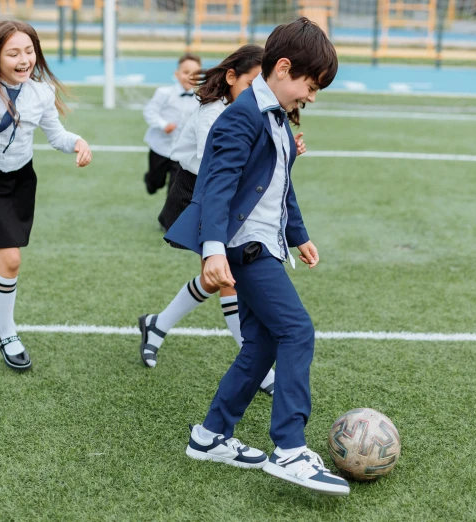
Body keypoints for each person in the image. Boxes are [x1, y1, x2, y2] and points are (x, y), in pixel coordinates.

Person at [164, 18, 349, 495]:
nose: (312, 96)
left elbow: (279, 184)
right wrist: (211, 250)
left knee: (262, 344)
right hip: (245, 248)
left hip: (268, 242)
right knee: (297, 330)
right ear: (284, 68)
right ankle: (289, 448)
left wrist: (299, 233)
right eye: (311, 85)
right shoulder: (241, 116)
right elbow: (216, 186)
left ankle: (209, 437)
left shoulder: (278, 118)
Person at [141, 45, 308, 400]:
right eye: (251, 83)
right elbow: (213, 166)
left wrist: (282, 148)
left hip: (228, 196)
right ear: (231, 78)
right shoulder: (212, 110)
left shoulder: (250, 109)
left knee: (220, 279)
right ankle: (259, 368)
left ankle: (157, 325)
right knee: (226, 279)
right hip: (196, 192)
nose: (257, 90)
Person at [0, 19, 92, 372]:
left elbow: (55, 135)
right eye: (13, 52)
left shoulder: (41, 92)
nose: (24, 58)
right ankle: (7, 333)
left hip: (22, 180)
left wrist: (77, 142)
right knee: (10, 260)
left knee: (7, 260)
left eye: (29, 51)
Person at [142, 53, 201, 197]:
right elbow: (149, 111)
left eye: (195, 74)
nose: (189, 77)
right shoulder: (164, 93)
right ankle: (150, 181)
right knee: (157, 181)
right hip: (160, 147)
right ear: (177, 73)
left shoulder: (199, 99)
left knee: (175, 188)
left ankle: (170, 216)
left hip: (181, 152)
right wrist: (163, 125)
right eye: (186, 72)